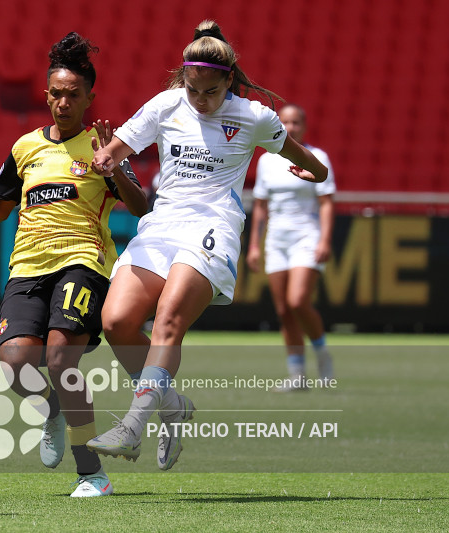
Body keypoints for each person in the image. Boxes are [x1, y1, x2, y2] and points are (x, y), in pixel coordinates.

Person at [84, 20, 328, 469]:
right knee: (117, 322)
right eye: (193, 90)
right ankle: (173, 406)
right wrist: (103, 160)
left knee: (168, 321)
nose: (200, 100)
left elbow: (307, 160)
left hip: (213, 225)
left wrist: (315, 172)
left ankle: (132, 426)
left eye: (210, 93)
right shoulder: (166, 105)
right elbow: (117, 150)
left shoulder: (255, 117)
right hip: (162, 224)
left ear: (228, 80)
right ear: (184, 78)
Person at [0, 32, 148, 497]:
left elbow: (141, 204)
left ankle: (91, 473)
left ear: (91, 97)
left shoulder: (103, 146)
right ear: (45, 94)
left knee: (60, 358)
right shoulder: (25, 148)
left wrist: (112, 167)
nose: (64, 102)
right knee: (14, 364)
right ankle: (52, 408)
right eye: (57, 93)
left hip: (82, 263)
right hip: (27, 269)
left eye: (74, 94)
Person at [246, 104, 336, 391]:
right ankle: (297, 375)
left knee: (298, 301)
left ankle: (322, 353)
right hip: (276, 240)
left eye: (296, 122)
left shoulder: (317, 157)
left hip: (306, 236)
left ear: (304, 126)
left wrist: (324, 239)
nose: (290, 127)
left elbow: (326, 203)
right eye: (285, 122)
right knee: (284, 309)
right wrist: (254, 246)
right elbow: (260, 206)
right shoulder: (266, 161)